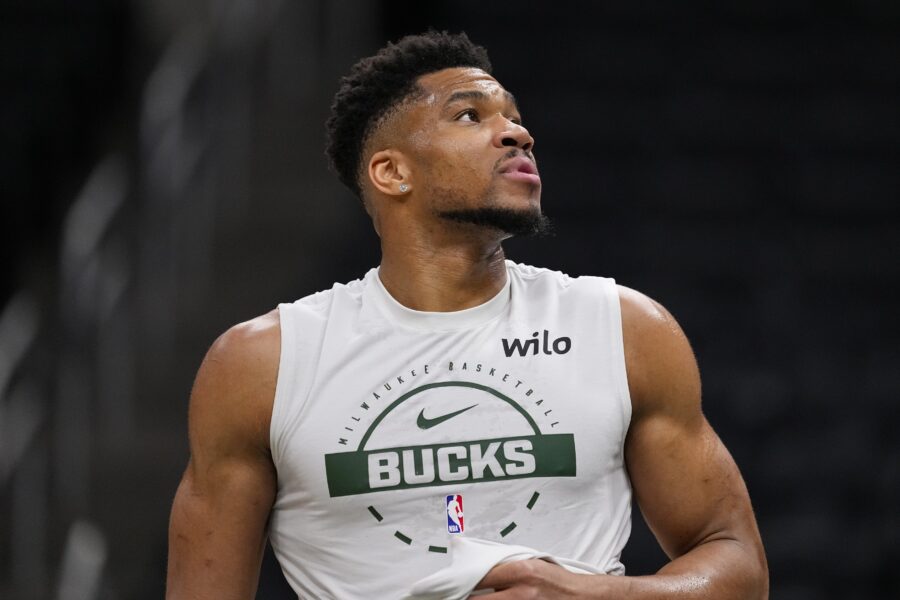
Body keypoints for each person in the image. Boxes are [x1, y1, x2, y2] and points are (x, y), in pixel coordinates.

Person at [166, 31, 768, 599]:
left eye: (514, 115)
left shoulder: (623, 327)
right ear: (392, 172)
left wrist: (599, 593)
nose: (517, 134)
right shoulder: (261, 364)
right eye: (469, 115)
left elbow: (738, 564)